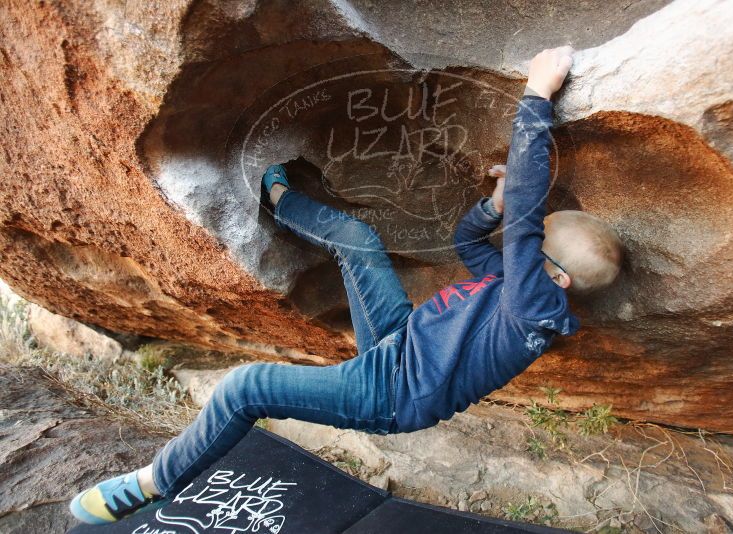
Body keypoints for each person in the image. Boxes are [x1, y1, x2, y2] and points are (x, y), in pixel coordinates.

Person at [70, 46, 622, 524]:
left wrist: (536, 94)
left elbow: (527, 213)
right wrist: (490, 207)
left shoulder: (533, 305)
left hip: (392, 392)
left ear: (557, 276)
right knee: (358, 238)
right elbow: (470, 246)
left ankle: (150, 485)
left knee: (246, 389)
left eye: (533, 242)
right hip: (398, 341)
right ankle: (280, 201)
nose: (520, 241)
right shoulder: (519, 287)